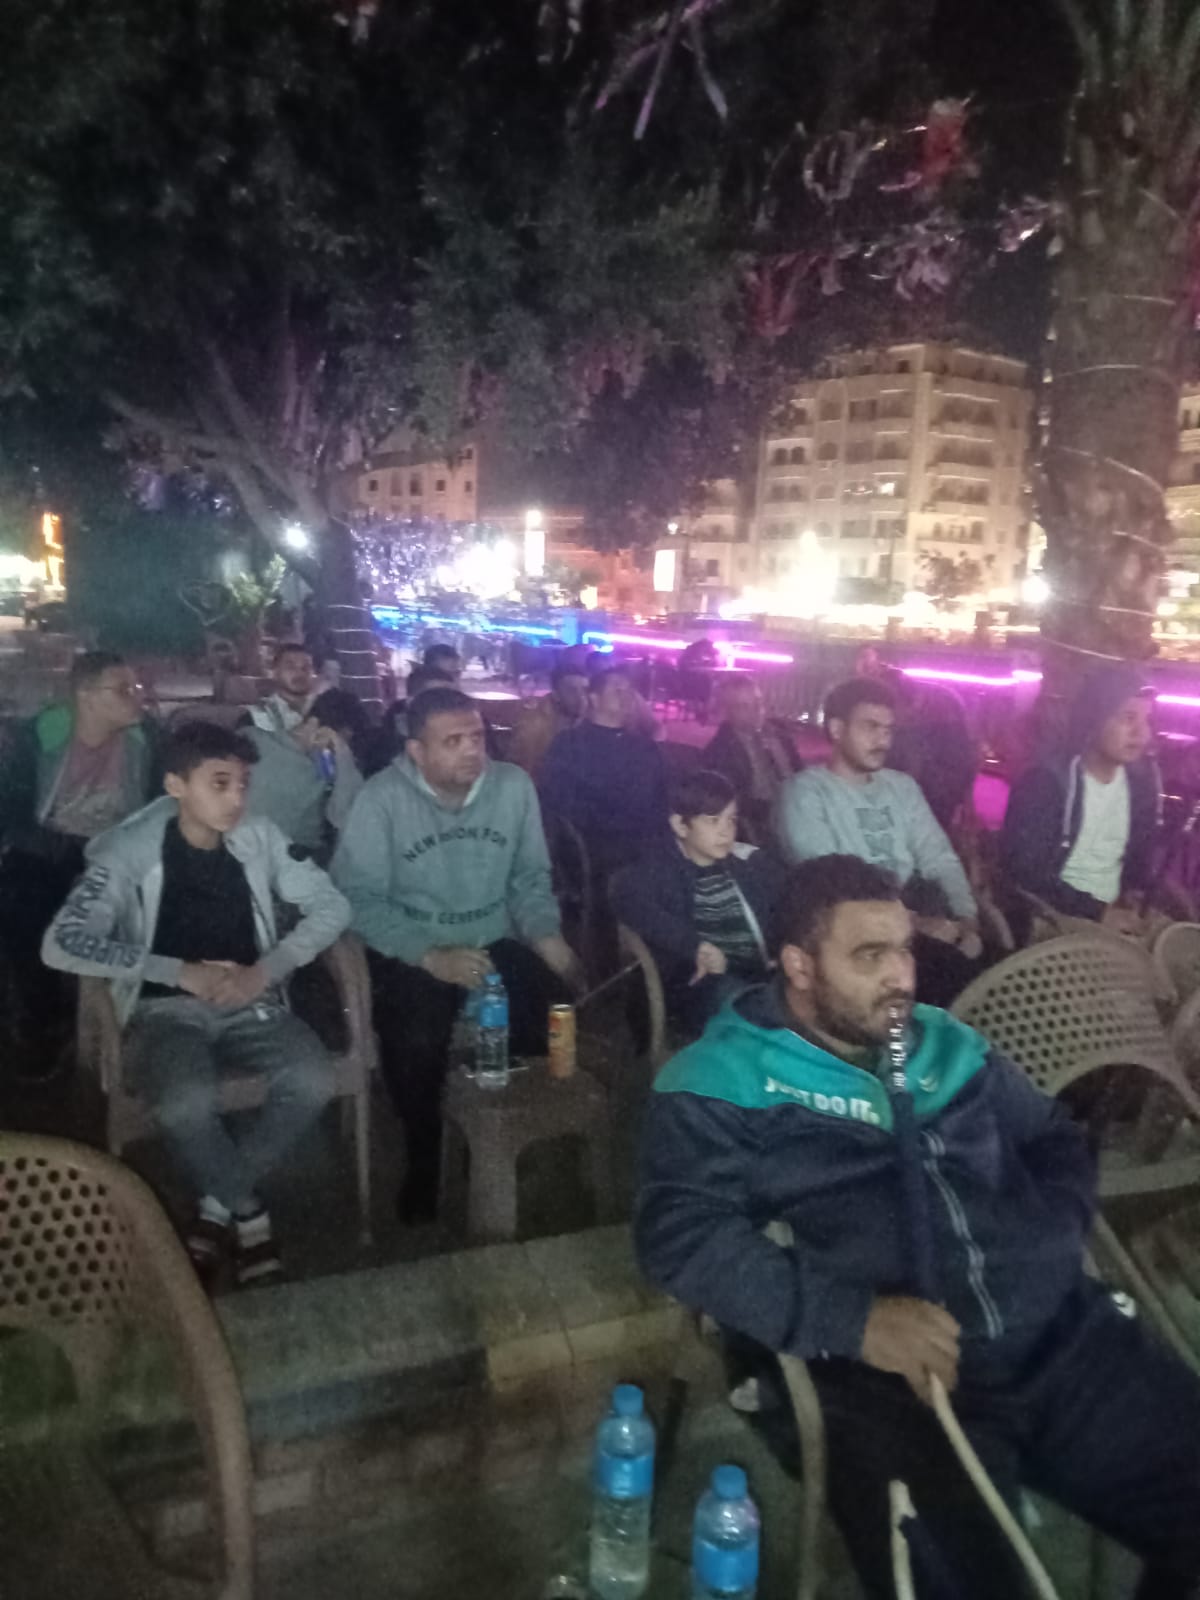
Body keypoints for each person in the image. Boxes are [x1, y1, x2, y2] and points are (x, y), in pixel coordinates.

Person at [636, 855, 1200, 1600]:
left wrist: (1052, 1233)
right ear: (800, 966)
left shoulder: (947, 1045)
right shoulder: (721, 1080)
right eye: (869, 956)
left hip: (1060, 1338)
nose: (900, 975)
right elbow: (679, 1233)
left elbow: (1052, 1137)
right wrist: (855, 1320)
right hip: (889, 1383)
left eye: (902, 949)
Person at [42, 721, 349, 1285]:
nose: (236, 799)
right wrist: (178, 971)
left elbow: (332, 908)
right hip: (164, 1010)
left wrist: (265, 971)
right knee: (185, 1101)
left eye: (243, 784)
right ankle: (248, 1214)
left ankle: (214, 1209)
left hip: (251, 998)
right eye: (220, 783)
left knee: (312, 1079)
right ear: (176, 786)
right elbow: (61, 942)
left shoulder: (258, 837)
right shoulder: (129, 850)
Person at [332, 686, 582, 1220]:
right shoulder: (382, 799)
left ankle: (501, 1134)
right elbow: (357, 897)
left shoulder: (512, 786)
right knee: (415, 1039)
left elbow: (530, 877)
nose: (472, 750)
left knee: (555, 1012)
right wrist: (429, 955)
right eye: (453, 741)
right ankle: (424, 1153)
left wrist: (545, 934)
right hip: (415, 943)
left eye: (477, 736)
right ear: (416, 751)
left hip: (494, 938)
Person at [0, 651, 159, 1080]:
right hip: (52, 845)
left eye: (137, 687)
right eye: (123, 690)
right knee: (23, 908)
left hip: (120, 847)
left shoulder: (145, 739)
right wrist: (55, 846)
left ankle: (146, 1017)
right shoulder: (36, 738)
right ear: (86, 695)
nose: (137, 697)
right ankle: (42, 1022)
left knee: (162, 902)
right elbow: (11, 810)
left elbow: (164, 798)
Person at [777, 677, 980, 1006]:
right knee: (959, 978)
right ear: (837, 729)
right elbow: (831, 884)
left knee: (1007, 968)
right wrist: (918, 923)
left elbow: (939, 857)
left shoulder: (901, 787)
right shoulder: (806, 793)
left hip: (919, 909)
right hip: (855, 926)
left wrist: (967, 917)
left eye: (888, 730)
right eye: (870, 727)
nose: (882, 740)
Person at [611, 771, 777, 1034]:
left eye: (731, 820)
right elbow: (627, 898)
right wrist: (693, 946)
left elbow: (783, 908)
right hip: (699, 985)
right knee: (743, 1001)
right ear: (680, 825)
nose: (726, 831)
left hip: (759, 972)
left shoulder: (748, 864)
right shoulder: (658, 872)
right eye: (713, 820)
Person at [1001, 663, 1158, 936]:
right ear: (1094, 720)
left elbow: (1138, 857)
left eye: (1147, 720)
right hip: (1054, 914)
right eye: (1128, 718)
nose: (1143, 734)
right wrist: (1097, 912)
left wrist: (1134, 893)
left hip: (1114, 911)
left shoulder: (1141, 783)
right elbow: (1025, 872)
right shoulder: (1046, 783)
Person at [539, 668, 669, 878]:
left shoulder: (645, 748)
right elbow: (557, 805)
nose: (625, 697)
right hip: (595, 852)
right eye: (617, 690)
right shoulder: (569, 745)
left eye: (629, 691)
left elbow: (662, 799)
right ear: (595, 698)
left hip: (646, 850)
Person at [244, 686, 365, 860]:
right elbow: (348, 816)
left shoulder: (250, 735)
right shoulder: (323, 772)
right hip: (293, 858)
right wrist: (342, 753)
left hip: (254, 851)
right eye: (342, 740)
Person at [702, 675, 802, 845]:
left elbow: (800, 772)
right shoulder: (720, 751)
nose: (756, 710)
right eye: (744, 706)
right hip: (762, 822)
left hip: (799, 808)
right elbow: (733, 801)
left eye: (758, 702)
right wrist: (776, 810)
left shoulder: (781, 736)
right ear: (728, 711)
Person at [507, 665, 590, 781]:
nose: (581, 697)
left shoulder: (589, 718)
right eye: (571, 691)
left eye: (585, 690)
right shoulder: (533, 725)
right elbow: (522, 773)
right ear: (556, 695)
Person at [247, 643, 318, 735]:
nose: (300, 673)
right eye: (290, 667)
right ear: (275, 672)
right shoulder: (259, 714)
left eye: (306, 667)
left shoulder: (327, 706)